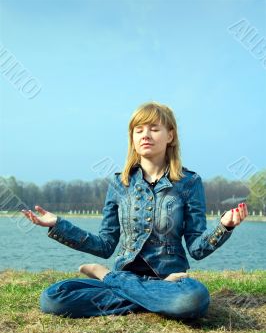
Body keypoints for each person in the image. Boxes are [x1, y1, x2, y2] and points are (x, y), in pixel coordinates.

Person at [21, 101, 248, 319]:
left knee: (193, 299)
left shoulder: (189, 183)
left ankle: (107, 277)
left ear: (170, 136)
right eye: (138, 130)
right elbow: (105, 244)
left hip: (170, 279)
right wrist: (58, 225)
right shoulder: (120, 184)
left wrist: (224, 226)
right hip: (135, 276)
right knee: (53, 298)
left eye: (154, 129)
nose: (145, 135)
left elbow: (197, 249)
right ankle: (153, 298)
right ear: (132, 137)